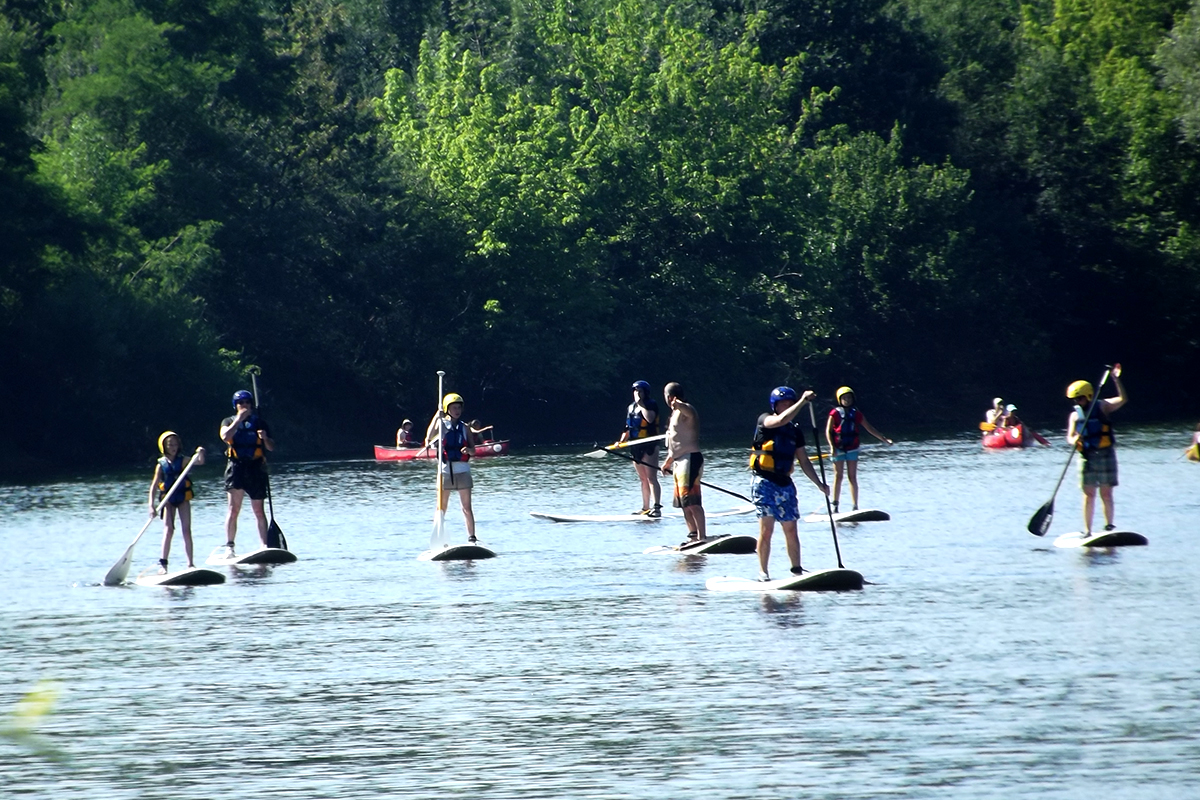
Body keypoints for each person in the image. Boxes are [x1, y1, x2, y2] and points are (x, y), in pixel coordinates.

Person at [750, 387, 829, 582]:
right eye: (783, 404)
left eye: (789, 403)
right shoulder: (765, 420)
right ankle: (763, 573)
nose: (786, 407)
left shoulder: (795, 432)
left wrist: (819, 483)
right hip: (764, 481)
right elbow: (780, 421)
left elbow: (803, 461)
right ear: (775, 406)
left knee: (791, 529)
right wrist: (802, 401)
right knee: (766, 529)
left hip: (785, 483)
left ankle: (796, 570)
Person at [1066, 364, 1126, 534]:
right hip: (1087, 457)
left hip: (1105, 454)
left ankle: (1109, 525)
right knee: (1089, 494)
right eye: (1075, 400)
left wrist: (1116, 379)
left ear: (1089, 396)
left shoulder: (1103, 406)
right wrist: (1074, 440)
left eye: (1080, 399)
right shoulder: (1075, 415)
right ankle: (1087, 530)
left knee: (1106, 493)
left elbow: (1122, 399)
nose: (1077, 402)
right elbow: (1069, 437)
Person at [219, 390, 275, 557]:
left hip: (255, 467)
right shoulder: (228, 421)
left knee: (258, 510)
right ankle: (229, 546)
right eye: (240, 403)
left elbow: (271, 447)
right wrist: (238, 420)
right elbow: (225, 436)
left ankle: (264, 545)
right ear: (236, 406)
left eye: (247, 403)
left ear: (251, 405)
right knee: (233, 508)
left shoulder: (260, 423)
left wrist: (265, 438)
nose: (244, 405)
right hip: (236, 467)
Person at [825, 386, 893, 513]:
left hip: (852, 449)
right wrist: (832, 447)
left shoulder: (856, 414)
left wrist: (884, 440)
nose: (847, 400)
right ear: (840, 400)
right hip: (838, 449)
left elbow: (869, 428)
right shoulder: (834, 413)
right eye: (844, 398)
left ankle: (855, 506)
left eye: (849, 398)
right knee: (838, 476)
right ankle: (835, 505)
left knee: (852, 477)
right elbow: (828, 432)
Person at [148, 432, 205, 574]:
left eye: (175, 444)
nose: (173, 447)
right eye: (170, 445)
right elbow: (154, 486)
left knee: (186, 530)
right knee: (168, 530)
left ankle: (190, 564)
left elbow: (199, 462)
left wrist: (201, 453)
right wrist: (151, 505)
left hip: (183, 498)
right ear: (164, 447)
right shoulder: (160, 465)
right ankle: (163, 564)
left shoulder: (184, 460)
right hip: (168, 500)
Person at [425, 393, 478, 542]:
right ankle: (439, 537)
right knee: (441, 508)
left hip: (462, 471)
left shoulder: (465, 428)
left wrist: (468, 451)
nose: (457, 410)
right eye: (454, 408)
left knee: (466, 507)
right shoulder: (441, 425)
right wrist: (437, 414)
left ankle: (472, 537)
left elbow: (473, 450)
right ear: (448, 409)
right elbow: (429, 437)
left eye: (459, 407)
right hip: (445, 471)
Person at [660, 382, 705, 543]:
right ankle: (693, 534)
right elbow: (675, 443)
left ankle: (702, 536)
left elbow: (689, 412)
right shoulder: (673, 415)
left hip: (691, 459)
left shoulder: (686, 410)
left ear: (670, 397)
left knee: (692, 501)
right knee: (684, 503)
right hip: (678, 461)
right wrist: (667, 463)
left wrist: (678, 403)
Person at [617, 380, 662, 517]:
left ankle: (657, 508)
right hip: (635, 445)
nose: (636, 393)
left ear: (645, 393)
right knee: (643, 478)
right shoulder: (631, 407)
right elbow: (628, 428)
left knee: (651, 477)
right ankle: (645, 507)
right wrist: (621, 441)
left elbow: (649, 419)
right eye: (635, 391)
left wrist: (641, 403)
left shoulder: (650, 404)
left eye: (639, 391)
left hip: (649, 444)